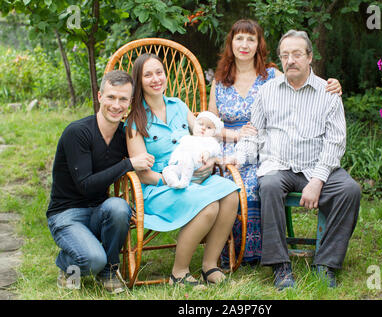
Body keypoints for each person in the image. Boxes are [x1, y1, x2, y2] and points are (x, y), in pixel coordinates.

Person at [208, 19, 343, 266]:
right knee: (227, 183)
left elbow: (299, 81)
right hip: (233, 144)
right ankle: (227, 252)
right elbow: (210, 125)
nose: (245, 44)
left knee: (252, 185)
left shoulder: (271, 74)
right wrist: (235, 136)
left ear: (259, 44)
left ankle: (258, 252)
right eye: (239, 38)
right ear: (231, 43)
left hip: (267, 145)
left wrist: (332, 85)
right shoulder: (220, 80)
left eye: (251, 39)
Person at [235, 30, 360, 290]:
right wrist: (237, 156)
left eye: (297, 54)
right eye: (285, 55)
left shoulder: (328, 93)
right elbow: (254, 132)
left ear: (309, 57)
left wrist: (317, 180)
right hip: (278, 166)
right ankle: (281, 267)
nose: (290, 60)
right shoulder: (267, 91)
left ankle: (325, 263)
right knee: (267, 185)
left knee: (350, 189)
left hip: (317, 166)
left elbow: (335, 142)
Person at [125, 53, 240, 286]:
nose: (156, 79)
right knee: (208, 206)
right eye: (148, 75)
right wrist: (173, 179)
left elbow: (203, 133)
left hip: (194, 177)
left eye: (159, 72)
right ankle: (178, 273)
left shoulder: (178, 105)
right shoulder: (135, 121)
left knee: (230, 192)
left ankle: (210, 265)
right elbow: (143, 173)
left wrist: (210, 160)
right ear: (139, 80)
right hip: (159, 186)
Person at [46, 70, 155, 294]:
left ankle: (109, 270)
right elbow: (85, 185)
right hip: (66, 214)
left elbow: (146, 159)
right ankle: (69, 264)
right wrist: (128, 164)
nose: (116, 105)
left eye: (123, 99)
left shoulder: (121, 137)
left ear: (130, 102)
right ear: (99, 97)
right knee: (93, 259)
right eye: (111, 97)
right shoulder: (77, 132)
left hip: (98, 211)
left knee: (118, 207)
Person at [162, 111, 224, 189]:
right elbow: (178, 150)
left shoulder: (210, 141)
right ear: (194, 125)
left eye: (209, 127)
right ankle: (174, 182)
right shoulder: (187, 138)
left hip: (197, 165)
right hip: (181, 167)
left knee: (188, 157)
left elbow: (215, 149)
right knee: (167, 169)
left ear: (214, 132)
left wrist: (207, 153)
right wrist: (173, 161)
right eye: (200, 124)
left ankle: (184, 182)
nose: (203, 128)